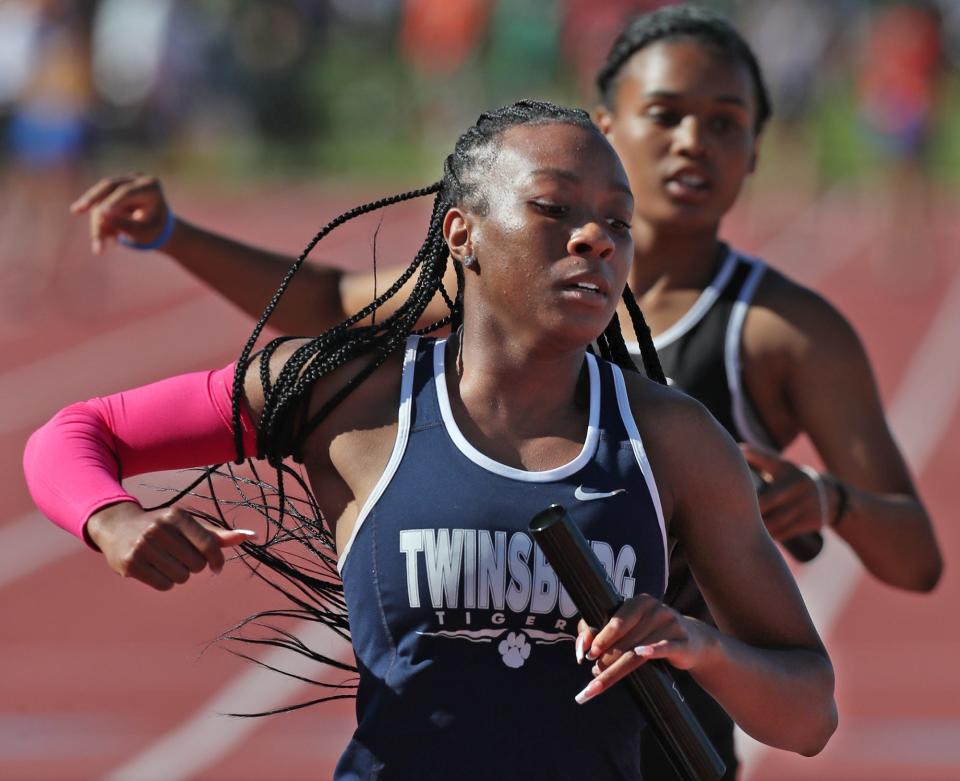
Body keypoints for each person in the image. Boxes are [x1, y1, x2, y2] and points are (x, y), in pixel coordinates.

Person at [70, 6, 939, 776]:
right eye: (556, 210)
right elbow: (84, 430)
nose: (596, 238)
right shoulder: (355, 396)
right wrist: (113, 519)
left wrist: (700, 644)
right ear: (463, 232)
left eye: (615, 223)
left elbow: (811, 710)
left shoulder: (672, 434)